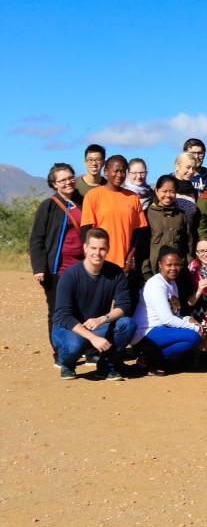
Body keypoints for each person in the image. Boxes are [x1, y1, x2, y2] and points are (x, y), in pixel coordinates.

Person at [51, 228, 134, 381]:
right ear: (85, 248)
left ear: (108, 249)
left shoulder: (116, 273)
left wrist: (102, 319)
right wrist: (92, 338)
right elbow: (64, 315)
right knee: (73, 346)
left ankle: (106, 366)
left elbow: (124, 305)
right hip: (68, 327)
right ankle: (67, 364)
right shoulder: (70, 275)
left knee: (127, 324)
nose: (97, 253)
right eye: (93, 248)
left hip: (96, 325)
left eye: (102, 249)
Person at [30, 164, 85, 352]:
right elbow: (37, 238)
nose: (68, 182)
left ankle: (81, 348)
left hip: (81, 267)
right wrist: (39, 268)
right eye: (62, 180)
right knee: (57, 310)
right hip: (57, 269)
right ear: (54, 184)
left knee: (80, 309)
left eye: (70, 177)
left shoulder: (82, 202)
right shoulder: (48, 206)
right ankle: (59, 351)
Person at [132, 247, 203, 375]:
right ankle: (148, 357)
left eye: (177, 264)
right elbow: (167, 319)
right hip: (146, 333)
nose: (173, 268)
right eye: (169, 264)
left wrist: (188, 319)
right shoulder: (156, 284)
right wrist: (194, 327)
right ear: (160, 264)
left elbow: (174, 313)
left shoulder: (171, 283)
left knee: (191, 335)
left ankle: (151, 359)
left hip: (161, 330)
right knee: (193, 337)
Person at [80, 155, 147, 276]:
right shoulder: (92, 196)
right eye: (116, 170)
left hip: (124, 267)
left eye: (123, 171)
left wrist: (130, 258)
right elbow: (86, 231)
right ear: (106, 171)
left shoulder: (133, 198)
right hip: (100, 264)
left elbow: (139, 233)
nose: (120, 175)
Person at [142, 175, 196, 280]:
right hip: (154, 273)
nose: (168, 195)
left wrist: (186, 263)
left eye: (172, 192)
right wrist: (146, 273)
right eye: (164, 191)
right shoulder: (147, 214)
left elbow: (189, 242)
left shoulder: (181, 215)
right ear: (156, 191)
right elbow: (142, 248)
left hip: (178, 273)